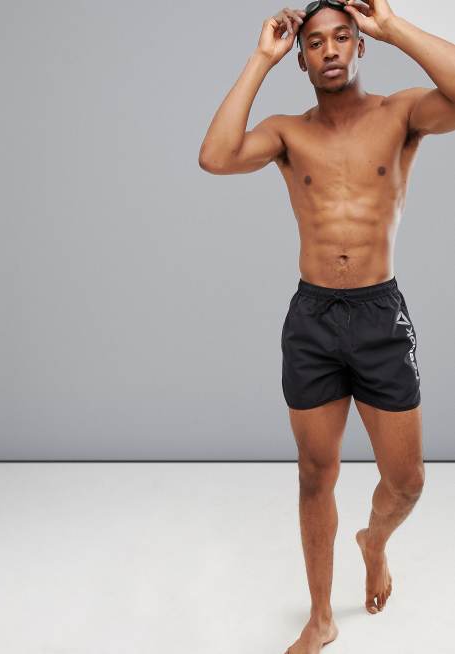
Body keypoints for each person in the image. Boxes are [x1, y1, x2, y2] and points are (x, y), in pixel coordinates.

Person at [198, 1, 455, 651]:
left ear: (359, 46)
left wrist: (393, 27)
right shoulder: (289, 133)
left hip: (378, 314)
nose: (331, 50)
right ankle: (320, 617)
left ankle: (374, 542)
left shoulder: (401, 114)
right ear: (303, 58)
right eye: (315, 43)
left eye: (343, 37)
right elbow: (216, 156)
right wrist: (261, 58)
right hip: (312, 318)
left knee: (407, 482)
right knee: (315, 473)